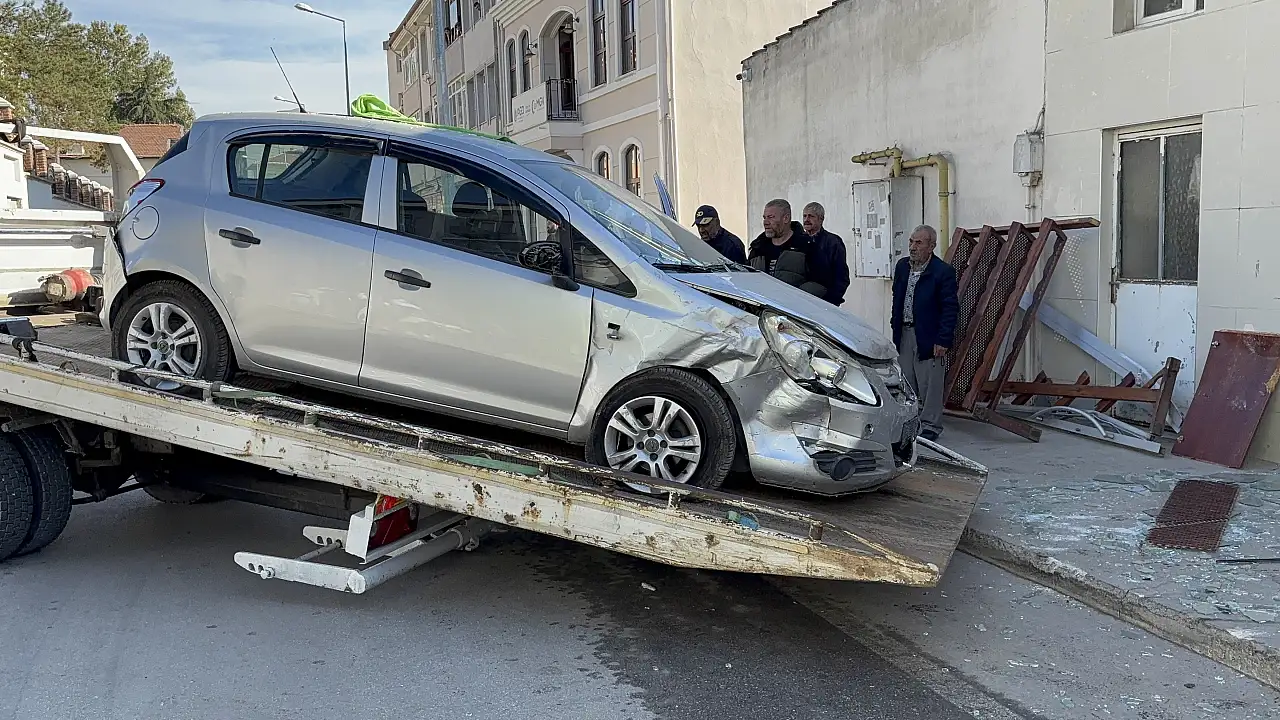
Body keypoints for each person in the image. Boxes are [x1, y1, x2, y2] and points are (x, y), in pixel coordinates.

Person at [890, 224, 958, 442]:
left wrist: (943, 339)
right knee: (906, 381)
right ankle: (910, 422)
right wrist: (894, 325)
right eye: (911, 241)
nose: (912, 247)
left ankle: (930, 425)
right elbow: (897, 298)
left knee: (930, 383)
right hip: (905, 331)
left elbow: (950, 308)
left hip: (929, 334)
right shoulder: (902, 267)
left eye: (918, 243)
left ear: (931, 246)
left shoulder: (942, 272)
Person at [747, 199, 826, 297]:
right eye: (764, 218)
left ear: (786, 218)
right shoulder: (757, 248)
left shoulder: (807, 247)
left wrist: (795, 298)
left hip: (794, 305)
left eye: (771, 217)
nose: (765, 222)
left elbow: (820, 284)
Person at [801, 202, 851, 306]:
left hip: (824, 301)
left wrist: (832, 300)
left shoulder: (833, 242)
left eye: (811, 216)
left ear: (821, 219)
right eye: (804, 216)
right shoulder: (798, 240)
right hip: (801, 300)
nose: (806, 220)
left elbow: (841, 276)